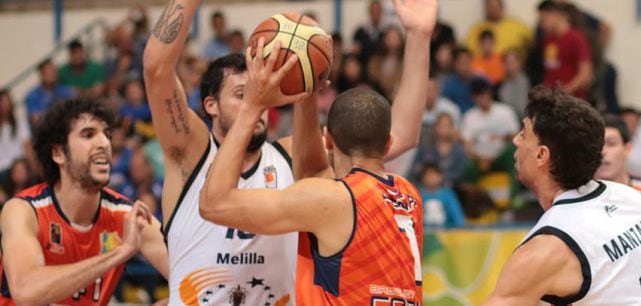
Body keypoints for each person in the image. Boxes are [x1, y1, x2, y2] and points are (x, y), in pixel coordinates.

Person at [142, 0, 434, 304]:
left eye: (261, 90)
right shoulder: (189, 153)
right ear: (211, 106)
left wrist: (418, 37)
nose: (255, 99)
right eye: (242, 94)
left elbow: (393, 135)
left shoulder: (290, 155)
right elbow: (156, 68)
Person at [199, 68, 424, 306]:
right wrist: (307, 94)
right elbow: (313, 174)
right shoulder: (410, 194)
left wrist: (252, 107)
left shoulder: (332, 200)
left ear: (327, 139)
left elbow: (214, 204)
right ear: (388, 144)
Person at [484, 86, 641, 305]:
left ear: (542, 155)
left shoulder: (547, 249)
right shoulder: (632, 197)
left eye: (523, 133)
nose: (515, 140)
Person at [0, 98, 168, 305]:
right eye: (88, 134)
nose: (105, 143)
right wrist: (120, 252)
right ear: (58, 153)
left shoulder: (128, 215)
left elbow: (195, 277)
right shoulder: (24, 209)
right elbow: (26, 291)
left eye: (107, 135)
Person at [595, 115, 641, 208]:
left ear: (627, 149)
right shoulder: (576, 193)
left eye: (611, 144)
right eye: (597, 145)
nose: (603, 151)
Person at [539, 1, 592, 100]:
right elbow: (550, 68)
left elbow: (585, 73)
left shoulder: (576, 38)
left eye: (544, 19)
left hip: (572, 100)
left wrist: (566, 90)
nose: (543, 25)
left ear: (556, 15)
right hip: (551, 98)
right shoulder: (548, 39)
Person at [464, 0, 531, 61]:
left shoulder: (517, 26)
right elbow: (467, 52)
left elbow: (532, 43)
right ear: (485, 8)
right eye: (490, 7)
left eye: (496, 6)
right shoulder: (477, 29)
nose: (493, 10)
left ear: (502, 7)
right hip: (485, 70)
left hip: (512, 68)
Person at [24, 59, 76, 125]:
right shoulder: (32, 96)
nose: (52, 75)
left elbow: (74, 112)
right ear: (41, 75)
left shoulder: (66, 91)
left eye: (54, 72)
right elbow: (36, 120)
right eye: (48, 73)